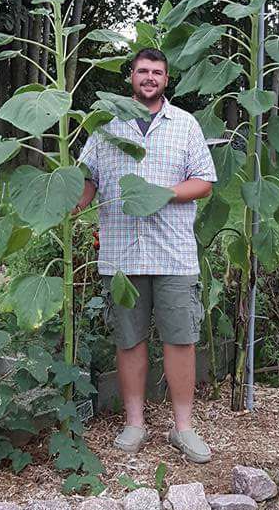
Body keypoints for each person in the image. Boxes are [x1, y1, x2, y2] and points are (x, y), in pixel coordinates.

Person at [77, 48, 217, 463]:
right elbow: (87, 178)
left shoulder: (185, 125)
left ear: (166, 79)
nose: (149, 77)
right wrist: (69, 203)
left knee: (181, 341)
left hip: (173, 252)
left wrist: (165, 194)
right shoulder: (106, 126)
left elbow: (205, 180)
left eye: (157, 72)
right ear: (131, 78)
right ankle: (135, 424)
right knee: (129, 340)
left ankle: (183, 429)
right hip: (122, 253)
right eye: (142, 71)